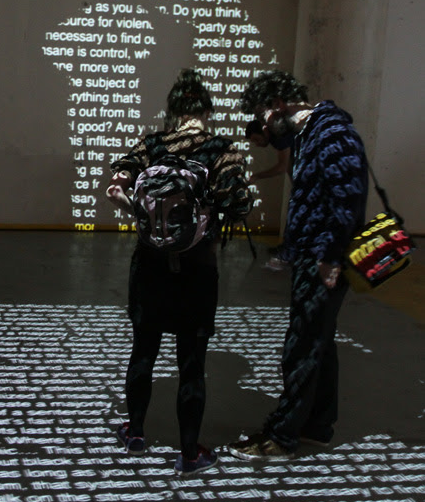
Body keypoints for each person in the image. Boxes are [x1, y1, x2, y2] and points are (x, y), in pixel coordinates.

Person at [106, 69, 252, 476]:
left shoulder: (151, 145)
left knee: (143, 352)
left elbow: (118, 181)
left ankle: (135, 433)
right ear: (206, 111)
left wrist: (132, 203)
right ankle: (189, 453)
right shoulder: (222, 149)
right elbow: (240, 205)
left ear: (172, 111)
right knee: (191, 363)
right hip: (197, 270)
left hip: (149, 266)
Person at [227, 70, 368, 461]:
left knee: (301, 347)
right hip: (312, 255)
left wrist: (329, 258)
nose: (264, 127)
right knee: (318, 343)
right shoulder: (310, 135)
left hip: (322, 259)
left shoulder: (332, 134)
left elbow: (348, 199)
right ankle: (317, 427)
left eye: (262, 115)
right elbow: (314, 200)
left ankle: (282, 437)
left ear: (277, 105)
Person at [244, 119, 293, 271]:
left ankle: (289, 252)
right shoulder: (276, 138)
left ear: (265, 131)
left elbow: (282, 166)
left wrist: (257, 176)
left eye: (257, 140)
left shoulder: (279, 137)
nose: (257, 144)